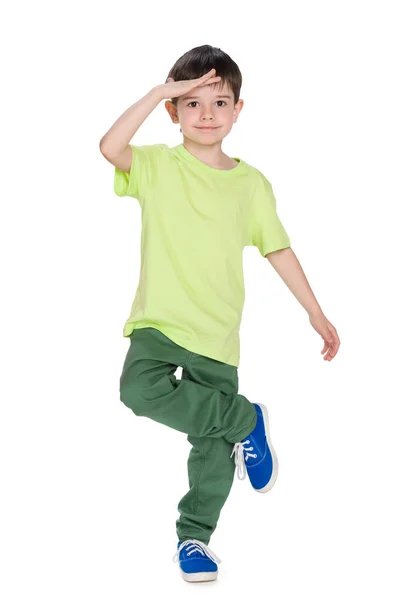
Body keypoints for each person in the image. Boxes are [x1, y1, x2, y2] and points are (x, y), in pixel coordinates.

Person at [99, 44, 340, 583]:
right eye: (191, 103)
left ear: (238, 110)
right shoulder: (158, 166)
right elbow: (109, 146)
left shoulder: (250, 184)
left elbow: (278, 248)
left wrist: (315, 314)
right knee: (138, 391)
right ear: (173, 111)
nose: (206, 114)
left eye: (220, 102)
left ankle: (195, 540)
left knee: (211, 451)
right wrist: (158, 90)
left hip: (217, 332)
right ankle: (244, 419)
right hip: (159, 321)